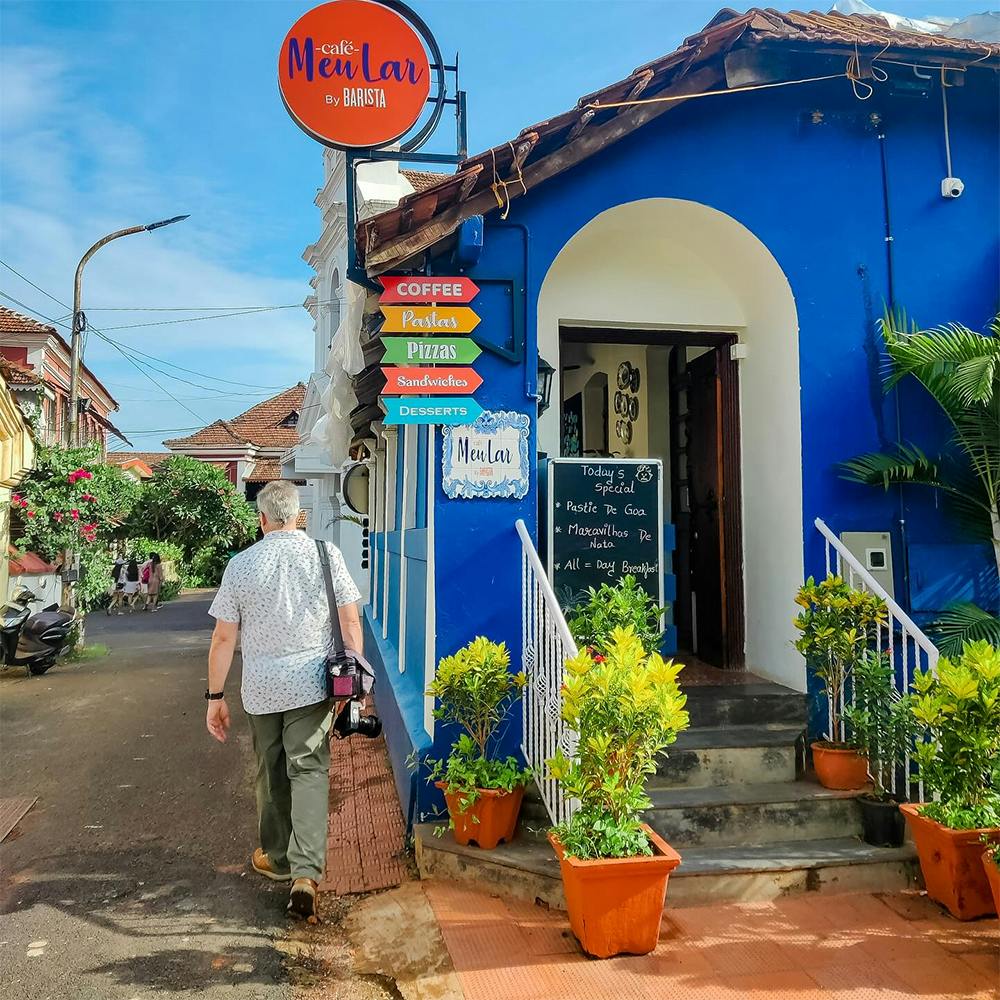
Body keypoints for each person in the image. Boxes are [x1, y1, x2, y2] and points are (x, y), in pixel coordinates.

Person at [205, 479, 361, 923]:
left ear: (261, 519)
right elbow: (349, 623)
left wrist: (214, 696)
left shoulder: (240, 565)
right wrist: (356, 687)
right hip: (313, 683)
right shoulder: (325, 555)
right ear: (299, 515)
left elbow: (222, 638)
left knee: (270, 768)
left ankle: (278, 858)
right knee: (308, 768)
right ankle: (306, 874)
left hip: (261, 687)